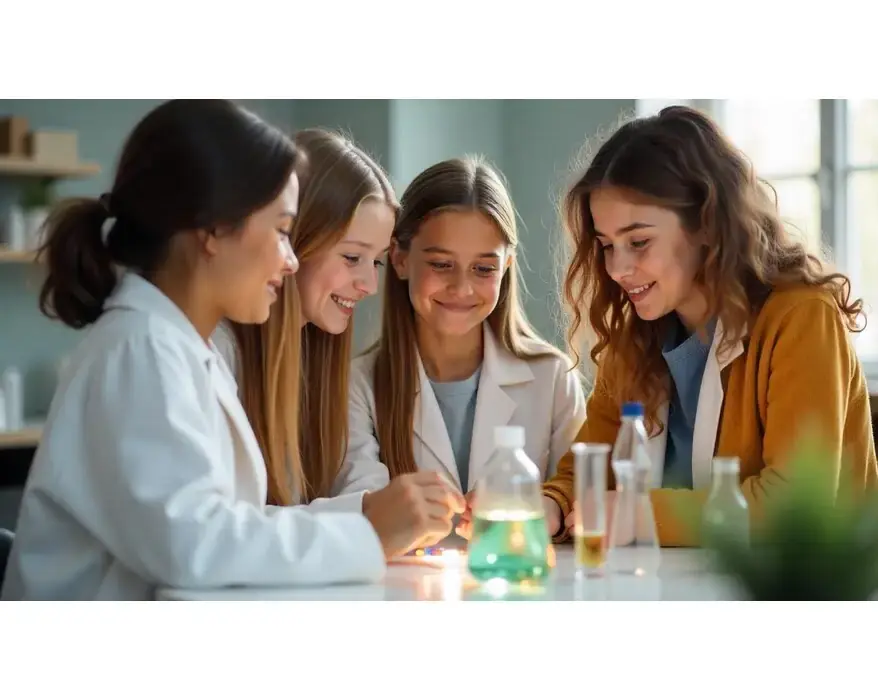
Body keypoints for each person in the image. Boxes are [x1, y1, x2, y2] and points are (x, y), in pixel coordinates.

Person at [0, 100, 458, 601]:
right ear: (215, 230)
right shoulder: (141, 351)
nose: (288, 259)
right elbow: (195, 546)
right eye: (283, 231)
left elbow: (232, 524)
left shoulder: (177, 349)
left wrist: (367, 514)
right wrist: (368, 533)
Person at [540, 105, 878, 547]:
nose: (618, 268)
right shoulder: (637, 338)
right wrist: (550, 506)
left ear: (706, 224)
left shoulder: (802, 318)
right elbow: (586, 469)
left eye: (639, 242)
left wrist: (639, 515)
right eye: (606, 245)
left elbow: (792, 506)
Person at [213, 128, 463, 536]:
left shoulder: (314, 356)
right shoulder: (216, 352)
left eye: (377, 262)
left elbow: (353, 473)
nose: (369, 284)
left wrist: (390, 509)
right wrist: (367, 518)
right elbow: (223, 530)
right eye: (352, 257)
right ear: (292, 242)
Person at [342, 155, 587, 538]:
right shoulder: (358, 384)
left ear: (506, 268)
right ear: (400, 259)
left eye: (483, 269)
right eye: (441, 264)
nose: (462, 288)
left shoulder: (552, 377)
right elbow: (363, 511)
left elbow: (578, 500)